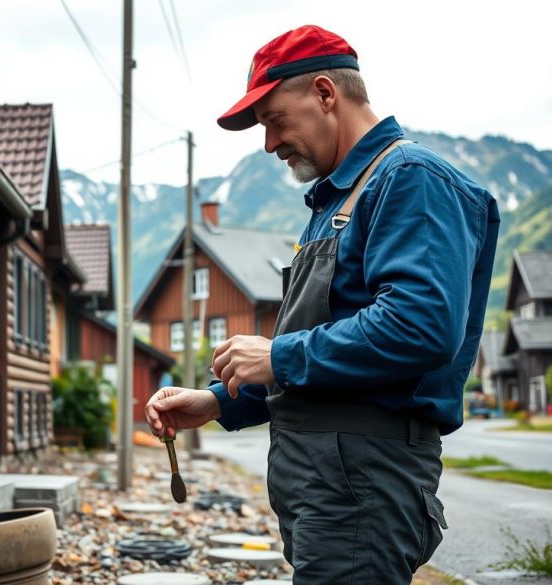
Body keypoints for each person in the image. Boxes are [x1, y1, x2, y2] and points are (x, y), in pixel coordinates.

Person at [145, 24, 500, 584]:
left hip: (364, 483)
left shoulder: (411, 179)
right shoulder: (335, 201)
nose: (268, 144)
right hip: (329, 486)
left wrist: (278, 356)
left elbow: (422, 324)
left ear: (325, 94)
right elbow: (330, 356)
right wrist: (219, 403)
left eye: (274, 120)